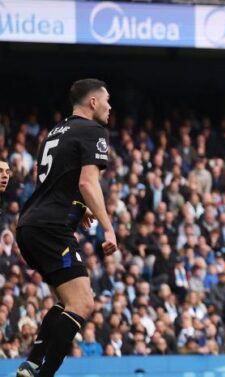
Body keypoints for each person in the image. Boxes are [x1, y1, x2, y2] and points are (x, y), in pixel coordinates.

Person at [16, 78, 118, 377]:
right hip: (50, 227)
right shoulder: (93, 130)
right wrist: (108, 227)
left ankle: (32, 364)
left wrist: (78, 207)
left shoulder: (55, 132)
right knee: (84, 302)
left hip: (31, 224)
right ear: (93, 102)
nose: (111, 106)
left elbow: (53, 184)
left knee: (68, 302)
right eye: (107, 100)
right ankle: (43, 373)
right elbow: (87, 182)